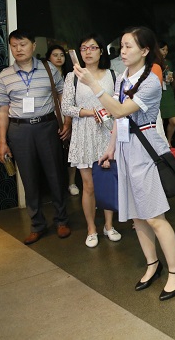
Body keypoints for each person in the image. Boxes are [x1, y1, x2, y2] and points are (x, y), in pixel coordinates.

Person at [74, 26, 175, 301]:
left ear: (145, 50)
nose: (122, 51)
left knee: (155, 217)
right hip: (126, 148)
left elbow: (120, 109)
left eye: (128, 46)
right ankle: (152, 264)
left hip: (145, 149)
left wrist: (93, 85)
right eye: (121, 46)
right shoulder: (124, 77)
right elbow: (119, 119)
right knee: (137, 215)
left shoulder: (150, 81)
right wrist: (111, 148)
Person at [0, 31, 72, 245]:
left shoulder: (49, 69)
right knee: (29, 179)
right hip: (19, 130)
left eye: (22, 44)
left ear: (33, 46)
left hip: (47, 127)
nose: (18, 49)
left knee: (55, 175)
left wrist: (67, 122)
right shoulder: (5, 75)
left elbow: (63, 96)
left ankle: (61, 220)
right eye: (14, 45)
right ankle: (37, 224)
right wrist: (2, 141)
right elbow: (3, 110)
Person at [61, 34, 122, 248]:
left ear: (101, 51)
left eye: (93, 47)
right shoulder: (73, 77)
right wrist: (90, 112)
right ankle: (91, 229)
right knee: (88, 186)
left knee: (107, 181)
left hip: (107, 133)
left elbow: (119, 105)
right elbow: (66, 107)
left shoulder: (113, 75)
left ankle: (108, 226)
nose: (88, 52)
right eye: (84, 48)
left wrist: (108, 111)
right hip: (84, 134)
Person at [46, 44, 79, 196]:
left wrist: (69, 120)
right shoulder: (45, 77)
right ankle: (57, 185)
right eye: (55, 55)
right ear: (48, 58)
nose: (59, 58)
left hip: (69, 116)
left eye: (61, 55)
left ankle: (71, 182)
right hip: (51, 117)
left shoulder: (70, 76)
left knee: (70, 151)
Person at [159, 40, 175, 143]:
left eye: (166, 50)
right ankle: (162, 142)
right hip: (158, 93)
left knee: (173, 121)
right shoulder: (152, 63)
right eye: (163, 49)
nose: (165, 52)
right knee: (160, 121)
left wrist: (171, 80)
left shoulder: (169, 62)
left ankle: (169, 141)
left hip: (168, 91)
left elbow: (172, 76)